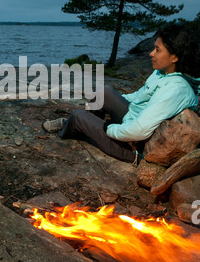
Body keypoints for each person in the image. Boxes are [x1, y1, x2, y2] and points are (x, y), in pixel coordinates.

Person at [42, 23, 200, 165]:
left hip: (135, 146)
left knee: (78, 116)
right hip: (132, 119)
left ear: (175, 57)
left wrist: (110, 128)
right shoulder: (162, 72)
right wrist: (114, 102)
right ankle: (83, 126)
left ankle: (72, 126)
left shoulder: (176, 89)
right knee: (103, 92)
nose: (151, 53)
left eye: (157, 50)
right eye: (153, 48)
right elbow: (139, 97)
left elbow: (139, 130)